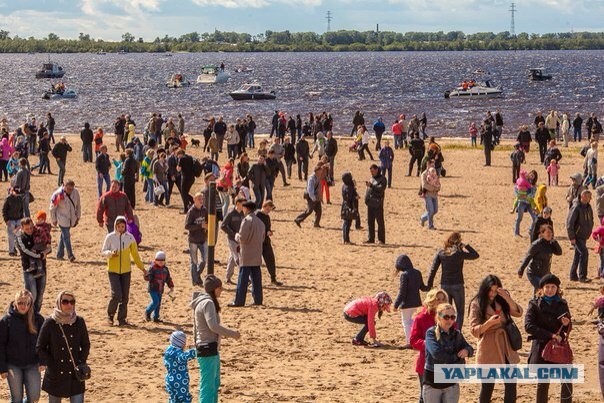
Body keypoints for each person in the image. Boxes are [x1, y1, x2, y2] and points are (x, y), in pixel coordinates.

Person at [469, 275, 523, 403]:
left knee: (511, 384)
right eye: (490, 290)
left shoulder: (502, 300)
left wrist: (507, 297)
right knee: (487, 386)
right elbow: (474, 330)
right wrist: (489, 323)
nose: (493, 294)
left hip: (506, 346)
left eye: (495, 290)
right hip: (488, 347)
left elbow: (518, 312)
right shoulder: (477, 303)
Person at [191, 275, 241, 403]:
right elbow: (213, 326)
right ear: (214, 289)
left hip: (208, 348)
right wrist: (232, 334)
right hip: (207, 348)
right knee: (208, 386)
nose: (222, 290)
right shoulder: (207, 303)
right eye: (220, 287)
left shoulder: (203, 302)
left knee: (214, 383)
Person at [525, 274, 573, 403]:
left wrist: (567, 323)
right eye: (547, 287)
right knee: (543, 383)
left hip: (559, 346)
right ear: (542, 288)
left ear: (557, 288)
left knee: (566, 380)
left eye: (553, 287)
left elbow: (568, 328)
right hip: (541, 347)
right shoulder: (534, 304)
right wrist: (550, 335)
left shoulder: (562, 303)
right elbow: (529, 326)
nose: (550, 290)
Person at [36, 291, 90, 403]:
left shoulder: (79, 322)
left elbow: (85, 345)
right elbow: (40, 347)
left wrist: (81, 361)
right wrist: (51, 363)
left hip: (75, 373)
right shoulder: (50, 323)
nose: (69, 305)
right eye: (65, 302)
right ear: (59, 303)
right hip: (56, 374)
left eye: (72, 302)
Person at [426, 232, 479, 329]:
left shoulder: (441, 252)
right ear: (458, 242)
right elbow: (475, 255)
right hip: (458, 285)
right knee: (460, 311)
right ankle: (457, 332)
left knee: (445, 310)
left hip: (445, 285)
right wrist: (466, 246)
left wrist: (429, 285)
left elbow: (433, 269)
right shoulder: (459, 254)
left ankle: (446, 330)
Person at [0, 289, 45, 403]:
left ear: (31, 303)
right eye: (20, 303)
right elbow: (1, 345)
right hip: (13, 365)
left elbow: (44, 343)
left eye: (26, 303)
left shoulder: (38, 319)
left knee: (34, 397)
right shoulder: (6, 321)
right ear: (15, 302)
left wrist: (43, 361)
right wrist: (2, 368)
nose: (23, 306)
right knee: (16, 399)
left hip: (33, 364)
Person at [423, 303, 473, 403]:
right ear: (438, 317)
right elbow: (437, 354)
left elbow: (470, 348)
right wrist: (456, 357)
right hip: (433, 382)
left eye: (452, 317)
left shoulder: (456, 333)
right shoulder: (431, 333)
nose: (450, 320)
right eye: (446, 317)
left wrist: (466, 350)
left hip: (451, 383)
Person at [101, 216, 145, 326]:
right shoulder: (110, 237)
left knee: (125, 296)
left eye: (123, 226)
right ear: (115, 226)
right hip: (113, 270)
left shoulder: (130, 238)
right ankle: (110, 316)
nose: (121, 228)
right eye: (119, 226)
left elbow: (135, 255)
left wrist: (142, 268)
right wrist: (110, 253)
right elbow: (103, 252)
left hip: (126, 271)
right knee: (116, 294)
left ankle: (122, 319)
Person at [410, 289, 449, 403]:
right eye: (438, 299)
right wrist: (428, 344)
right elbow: (413, 340)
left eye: (443, 299)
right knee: (425, 397)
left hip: (445, 362)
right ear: (431, 301)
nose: (441, 302)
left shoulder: (449, 317)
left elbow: (455, 334)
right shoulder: (421, 318)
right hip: (426, 363)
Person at [230, 201, 265, 307]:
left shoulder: (246, 221)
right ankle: (258, 300)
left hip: (246, 255)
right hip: (257, 253)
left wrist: (236, 236)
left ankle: (239, 301)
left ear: (247, 209)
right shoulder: (260, 222)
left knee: (243, 280)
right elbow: (262, 238)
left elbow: (242, 237)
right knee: (256, 280)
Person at [394, 254, 427, 348]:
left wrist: (396, 304)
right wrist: (430, 284)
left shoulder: (404, 275)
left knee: (406, 322)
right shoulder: (417, 272)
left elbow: (402, 292)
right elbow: (423, 287)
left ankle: (409, 342)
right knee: (413, 322)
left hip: (406, 303)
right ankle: (418, 338)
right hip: (417, 303)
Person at [16, 218, 47, 313]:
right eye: (27, 229)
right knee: (31, 295)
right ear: (22, 228)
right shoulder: (20, 238)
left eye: (31, 228)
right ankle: (29, 316)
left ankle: (36, 316)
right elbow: (25, 252)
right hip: (29, 270)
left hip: (42, 268)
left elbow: (47, 246)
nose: (30, 230)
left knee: (40, 296)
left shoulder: (38, 233)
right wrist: (40, 255)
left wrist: (45, 251)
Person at [50, 180, 81, 262]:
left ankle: (59, 255)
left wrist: (78, 216)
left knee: (63, 236)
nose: (70, 190)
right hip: (61, 218)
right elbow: (52, 208)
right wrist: (54, 220)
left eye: (72, 189)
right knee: (66, 236)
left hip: (71, 218)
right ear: (64, 186)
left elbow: (78, 205)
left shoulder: (76, 193)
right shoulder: (58, 194)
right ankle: (70, 255)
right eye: (68, 189)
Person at [567, 189, 594, 282]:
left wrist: (589, 231)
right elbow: (570, 223)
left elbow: (591, 219)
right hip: (577, 236)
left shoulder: (588, 207)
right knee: (584, 253)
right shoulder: (576, 207)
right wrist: (572, 237)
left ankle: (573, 275)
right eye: (588, 196)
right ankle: (582, 277)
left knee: (577, 255)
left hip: (584, 235)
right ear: (583, 196)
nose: (590, 199)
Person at [163, 330, 196, 403]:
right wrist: (194, 351)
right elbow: (183, 357)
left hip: (169, 379)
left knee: (173, 398)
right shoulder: (178, 353)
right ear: (182, 344)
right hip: (180, 380)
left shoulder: (168, 351)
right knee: (184, 398)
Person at [256, 200, 283, 286]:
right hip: (257, 243)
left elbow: (267, 228)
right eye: (268, 209)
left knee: (271, 260)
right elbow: (255, 228)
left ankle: (273, 279)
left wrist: (269, 231)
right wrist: (264, 232)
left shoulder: (267, 217)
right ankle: (253, 280)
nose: (269, 211)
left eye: (270, 210)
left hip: (266, 242)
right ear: (265, 206)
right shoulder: (257, 215)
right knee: (255, 262)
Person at [185, 193, 208, 286]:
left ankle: (196, 275)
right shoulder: (191, 211)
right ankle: (195, 280)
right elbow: (187, 226)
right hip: (193, 240)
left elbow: (207, 221)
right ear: (194, 200)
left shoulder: (204, 210)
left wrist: (207, 227)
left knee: (204, 260)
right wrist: (200, 226)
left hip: (203, 239)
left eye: (202, 199)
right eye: (199, 199)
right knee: (194, 262)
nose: (201, 201)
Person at [144, 251, 174, 323]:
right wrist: (146, 276)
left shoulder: (165, 269)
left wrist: (171, 285)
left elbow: (168, 279)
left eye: (162, 260)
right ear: (155, 260)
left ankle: (156, 317)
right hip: (153, 288)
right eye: (158, 260)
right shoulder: (152, 268)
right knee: (156, 302)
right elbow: (148, 277)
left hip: (160, 289)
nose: (160, 262)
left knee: (158, 303)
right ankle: (148, 311)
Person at [220, 196, 244, 284]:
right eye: (242, 204)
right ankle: (245, 277)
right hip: (232, 240)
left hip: (240, 240)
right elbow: (223, 226)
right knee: (237, 258)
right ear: (237, 203)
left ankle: (228, 277)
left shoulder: (243, 213)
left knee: (232, 258)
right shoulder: (230, 213)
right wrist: (233, 234)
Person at [294, 164, 323, 228]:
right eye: (320, 170)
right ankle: (298, 219)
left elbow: (318, 188)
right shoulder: (312, 178)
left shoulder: (318, 177)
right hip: (311, 196)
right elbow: (310, 190)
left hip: (316, 196)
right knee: (309, 211)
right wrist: (313, 198)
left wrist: (320, 197)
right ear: (317, 171)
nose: (321, 172)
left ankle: (316, 224)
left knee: (319, 211)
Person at [364, 164, 387, 243]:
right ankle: (371, 238)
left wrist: (372, 186)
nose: (372, 173)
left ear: (377, 170)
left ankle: (381, 239)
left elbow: (381, 189)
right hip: (370, 203)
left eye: (373, 171)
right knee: (370, 221)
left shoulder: (382, 179)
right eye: (371, 171)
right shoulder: (371, 178)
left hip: (378, 203)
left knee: (380, 222)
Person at [3, 186, 24, 256]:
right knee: (11, 236)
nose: (17, 194)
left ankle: (20, 250)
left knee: (19, 236)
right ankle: (11, 251)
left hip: (18, 219)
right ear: (12, 191)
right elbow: (4, 210)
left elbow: (22, 209)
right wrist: (6, 220)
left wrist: (22, 219)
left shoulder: (20, 198)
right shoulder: (8, 199)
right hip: (11, 220)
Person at [420, 161, 440, 230]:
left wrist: (438, 188)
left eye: (434, 166)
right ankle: (430, 226)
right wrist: (433, 188)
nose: (433, 167)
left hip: (435, 195)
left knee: (435, 210)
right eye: (432, 165)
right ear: (427, 166)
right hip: (427, 195)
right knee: (431, 210)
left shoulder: (435, 173)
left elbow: (438, 183)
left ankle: (423, 218)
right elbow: (424, 185)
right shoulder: (424, 174)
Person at [341, 171, 359, 245]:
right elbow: (350, 197)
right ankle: (346, 240)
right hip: (349, 206)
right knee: (347, 223)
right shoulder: (349, 187)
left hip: (344, 205)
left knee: (346, 223)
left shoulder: (344, 186)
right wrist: (355, 197)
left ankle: (345, 239)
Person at [176, 149, 195, 214]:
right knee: (186, 193)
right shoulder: (190, 157)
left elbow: (178, 169)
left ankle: (186, 208)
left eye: (177, 155)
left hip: (185, 178)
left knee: (183, 193)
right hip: (191, 178)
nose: (177, 157)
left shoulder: (181, 159)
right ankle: (192, 202)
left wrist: (177, 165)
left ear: (180, 154)